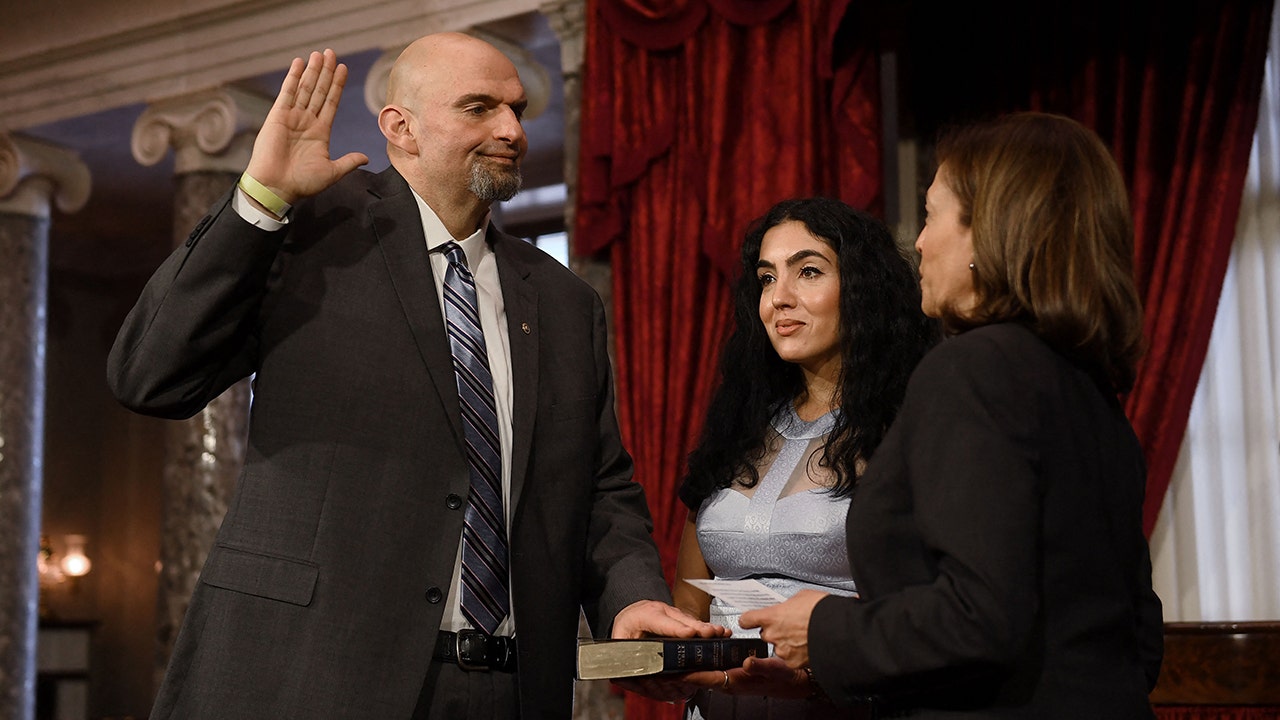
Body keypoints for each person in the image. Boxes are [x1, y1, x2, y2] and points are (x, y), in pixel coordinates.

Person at [107, 33, 722, 720]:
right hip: (311, 674)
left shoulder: (563, 299)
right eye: (480, 107)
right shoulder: (310, 234)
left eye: (516, 109)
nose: (512, 129)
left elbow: (601, 487)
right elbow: (148, 375)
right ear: (401, 128)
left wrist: (633, 597)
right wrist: (260, 199)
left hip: (510, 690)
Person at [740, 113, 1164, 718]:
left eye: (934, 213)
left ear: (989, 231)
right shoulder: (1085, 383)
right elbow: (1138, 637)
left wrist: (825, 629)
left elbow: (979, 616)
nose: (917, 241)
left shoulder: (973, 369)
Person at [661, 198, 938, 718]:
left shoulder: (908, 428)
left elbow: (928, 609)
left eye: (808, 272)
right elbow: (690, 594)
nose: (779, 299)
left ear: (862, 288)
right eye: (766, 279)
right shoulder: (738, 424)